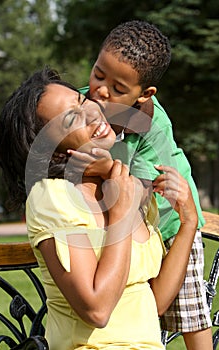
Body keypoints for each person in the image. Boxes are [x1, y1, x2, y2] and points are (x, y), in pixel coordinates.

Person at [0, 67, 198, 350]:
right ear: (53, 149)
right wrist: (121, 215)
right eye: (71, 119)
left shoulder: (121, 185)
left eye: (81, 103)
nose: (91, 113)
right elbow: (97, 310)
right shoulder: (53, 198)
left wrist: (188, 222)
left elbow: (154, 304)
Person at [78, 20, 213, 350]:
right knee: (136, 307)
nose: (102, 90)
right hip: (124, 225)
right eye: (98, 74)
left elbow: (142, 191)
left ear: (144, 95)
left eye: (119, 88)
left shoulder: (152, 125)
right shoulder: (78, 105)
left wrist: (109, 167)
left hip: (170, 219)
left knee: (190, 311)